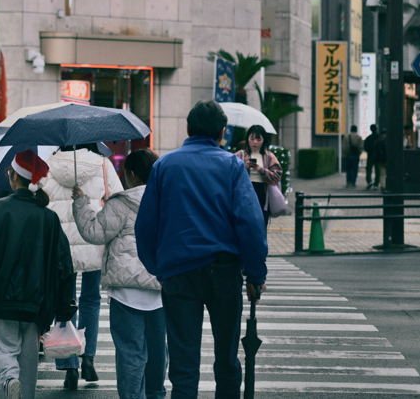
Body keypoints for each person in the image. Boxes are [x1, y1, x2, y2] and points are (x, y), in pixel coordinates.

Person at [136, 100, 268, 399]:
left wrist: (159, 268)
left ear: (187, 128)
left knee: (183, 366)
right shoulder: (232, 165)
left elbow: (145, 226)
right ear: (222, 133)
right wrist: (255, 275)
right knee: (227, 359)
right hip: (224, 271)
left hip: (178, 272)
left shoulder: (164, 166)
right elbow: (250, 223)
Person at [0, 151, 77, 399]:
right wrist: (65, 305)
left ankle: (8, 379)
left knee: (4, 348)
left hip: (2, 297)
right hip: (37, 303)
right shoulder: (49, 217)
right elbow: (63, 264)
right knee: (29, 359)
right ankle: (25, 393)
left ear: (14, 176)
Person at [71, 148, 167, 399]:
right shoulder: (167, 200)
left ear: (132, 174)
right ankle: (156, 395)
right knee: (158, 352)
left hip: (126, 293)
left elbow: (94, 232)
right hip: (161, 290)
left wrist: (81, 203)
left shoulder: (120, 204)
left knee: (130, 353)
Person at [40, 145, 123, 389]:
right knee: (91, 299)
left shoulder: (49, 165)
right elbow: (117, 199)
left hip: (60, 244)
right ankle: (88, 358)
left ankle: (70, 366)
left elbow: (40, 200)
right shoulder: (102, 164)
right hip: (93, 239)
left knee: (64, 302)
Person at [233, 125, 282, 227]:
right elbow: (231, 174)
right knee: (245, 224)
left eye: (259, 139)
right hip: (245, 193)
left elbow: (277, 176)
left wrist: (260, 169)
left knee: (261, 224)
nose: (255, 142)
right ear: (247, 139)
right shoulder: (240, 155)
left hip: (262, 193)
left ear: (264, 140)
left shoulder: (269, 156)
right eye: (252, 139)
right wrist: (245, 167)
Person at [363, 124, 379, 189]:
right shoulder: (379, 137)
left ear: (370, 129)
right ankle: (376, 184)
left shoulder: (368, 138)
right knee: (377, 170)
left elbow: (365, 147)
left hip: (370, 156)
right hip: (378, 156)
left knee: (369, 169)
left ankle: (369, 181)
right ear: (376, 129)